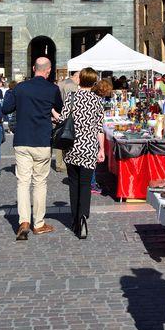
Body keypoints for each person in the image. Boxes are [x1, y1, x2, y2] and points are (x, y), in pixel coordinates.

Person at [2, 56, 62, 241]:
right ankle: (39, 223)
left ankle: (24, 221)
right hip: (42, 140)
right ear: (48, 70)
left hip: (22, 140)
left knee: (23, 182)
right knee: (40, 183)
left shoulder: (20, 88)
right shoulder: (52, 89)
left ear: (33, 68)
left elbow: (6, 109)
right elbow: (59, 109)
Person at [56, 67, 105, 239]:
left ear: (80, 80)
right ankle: (84, 216)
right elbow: (100, 128)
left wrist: (53, 112)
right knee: (85, 185)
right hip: (89, 147)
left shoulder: (71, 98)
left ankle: (75, 219)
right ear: (93, 82)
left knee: (74, 184)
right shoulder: (97, 101)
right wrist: (102, 149)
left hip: (72, 147)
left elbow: (62, 120)